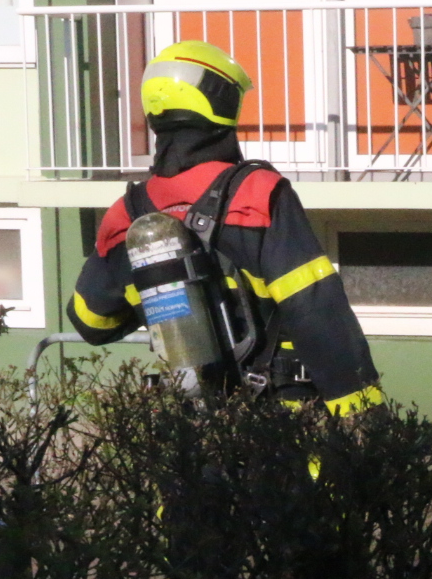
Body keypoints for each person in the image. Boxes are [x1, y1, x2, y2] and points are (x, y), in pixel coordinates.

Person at [68, 42, 385, 418]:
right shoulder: (257, 192)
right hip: (278, 420)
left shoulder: (127, 215)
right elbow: (315, 308)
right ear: (219, 102)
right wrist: (365, 414)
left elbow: (91, 322)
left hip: (192, 425)